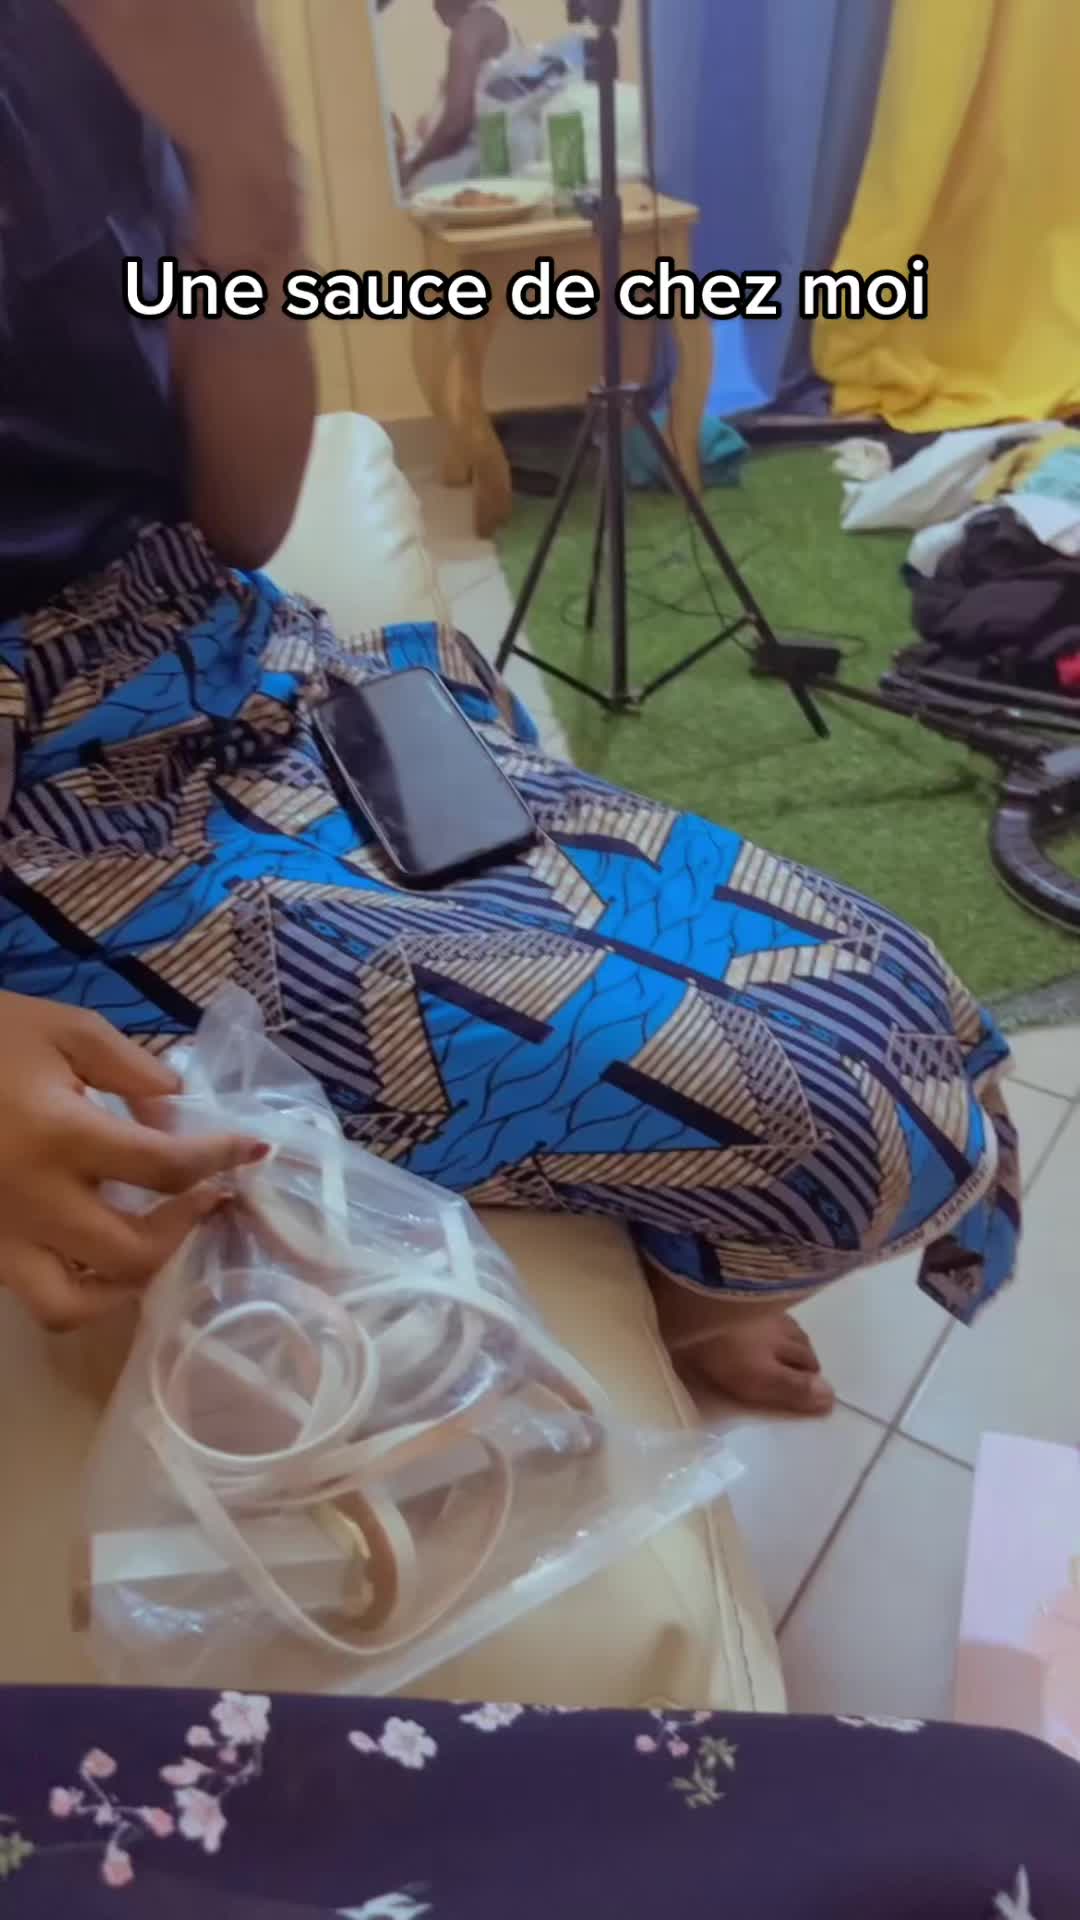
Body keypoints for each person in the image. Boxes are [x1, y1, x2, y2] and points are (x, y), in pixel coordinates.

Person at [0, 0, 1020, 1416]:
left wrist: (246, 170)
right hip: (53, 822)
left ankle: (687, 1274)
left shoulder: (98, 38)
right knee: (866, 1121)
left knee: (913, 1001)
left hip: (212, 661)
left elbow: (238, 518)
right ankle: (686, 1306)